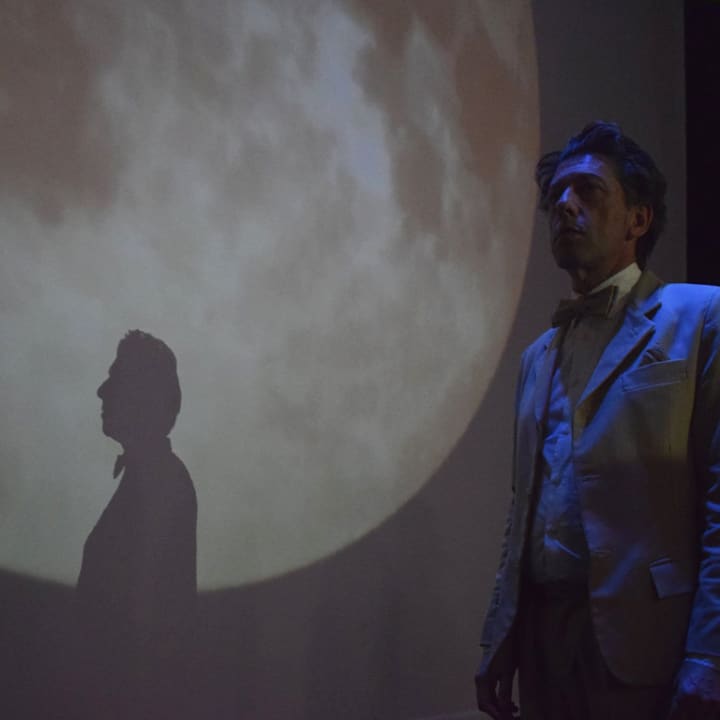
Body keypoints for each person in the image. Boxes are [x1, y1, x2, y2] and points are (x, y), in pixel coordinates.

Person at [475, 121, 720, 720]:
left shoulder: (702, 317)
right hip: (542, 644)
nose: (564, 205)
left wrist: (710, 655)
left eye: (587, 190)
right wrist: (499, 635)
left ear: (638, 219)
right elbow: (522, 509)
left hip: (651, 641)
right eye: (557, 195)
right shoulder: (537, 357)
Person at [76, 330, 197, 718]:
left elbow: (146, 619)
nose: (101, 391)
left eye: (115, 378)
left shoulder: (160, 481)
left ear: (140, 395)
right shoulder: (156, 477)